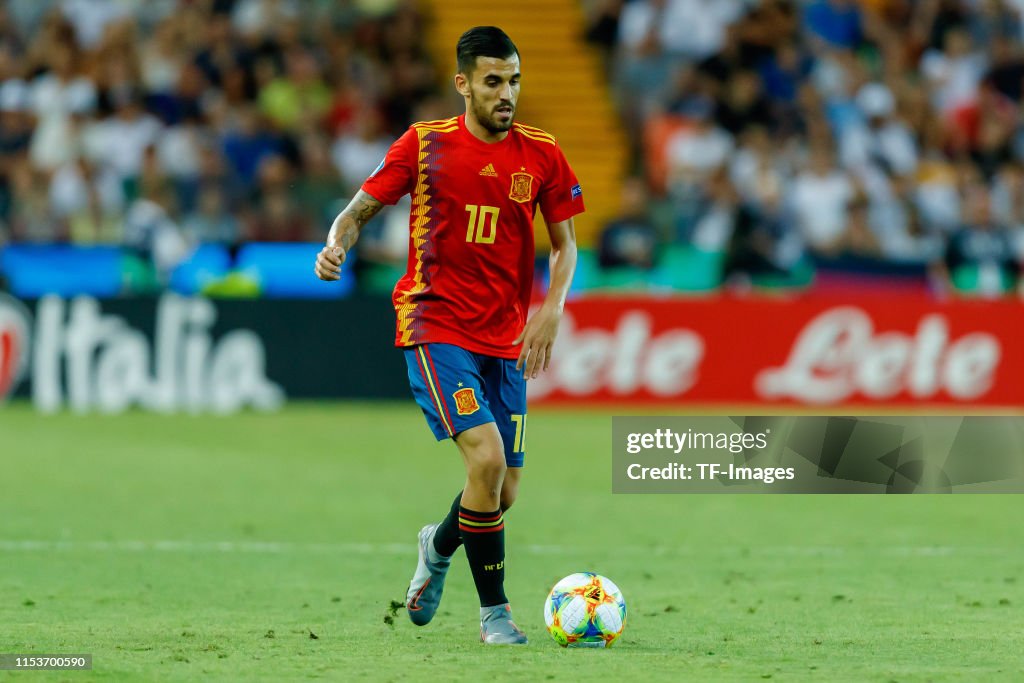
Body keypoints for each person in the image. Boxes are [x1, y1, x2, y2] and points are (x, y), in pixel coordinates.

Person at [313, 26, 583, 645]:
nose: (506, 93)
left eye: (513, 80)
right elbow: (357, 211)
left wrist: (552, 309)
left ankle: (435, 549)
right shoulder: (425, 145)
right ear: (463, 84)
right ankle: (496, 616)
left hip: (505, 337)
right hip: (435, 324)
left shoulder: (541, 152)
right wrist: (335, 245)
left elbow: (565, 245)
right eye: (493, 82)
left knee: (501, 490)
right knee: (486, 460)